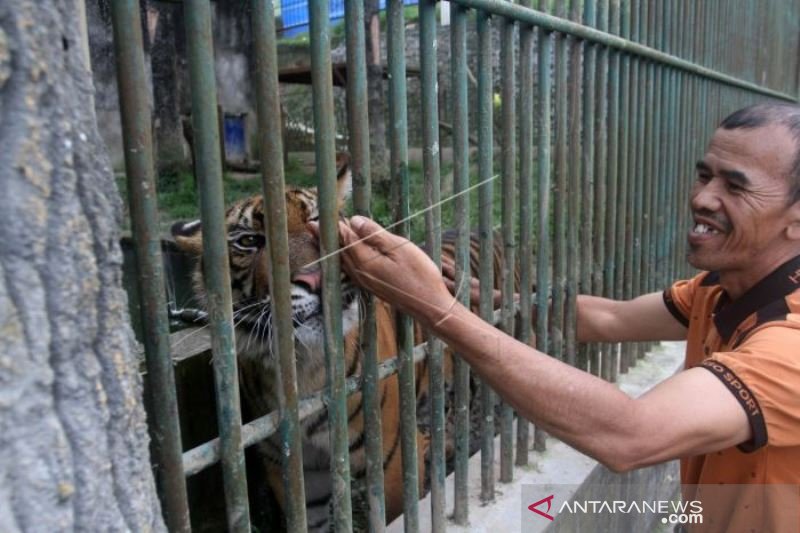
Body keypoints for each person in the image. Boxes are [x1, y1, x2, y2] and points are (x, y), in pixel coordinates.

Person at [312, 103, 800, 531]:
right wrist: (488, 299)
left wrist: (437, 311)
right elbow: (606, 318)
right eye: (704, 174)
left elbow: (631, 435)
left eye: (735, 186)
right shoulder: (724, 287)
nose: (702, 198)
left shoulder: (789, 343)